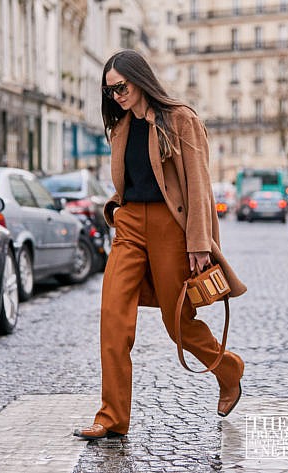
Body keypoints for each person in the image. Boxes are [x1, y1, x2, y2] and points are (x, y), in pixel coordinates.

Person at [74, 49, 247, 440]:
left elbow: (199, 184)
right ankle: (112, 416)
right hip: (131, 224)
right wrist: (117, 212)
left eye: (121, 86)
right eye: (110, 90)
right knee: (113, 317)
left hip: (172, 227)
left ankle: (227, 368)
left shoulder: (180, 119)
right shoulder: (119, 128)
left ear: (140, 79)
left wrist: (198, 242)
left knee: (177, 323)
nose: (116, 95)